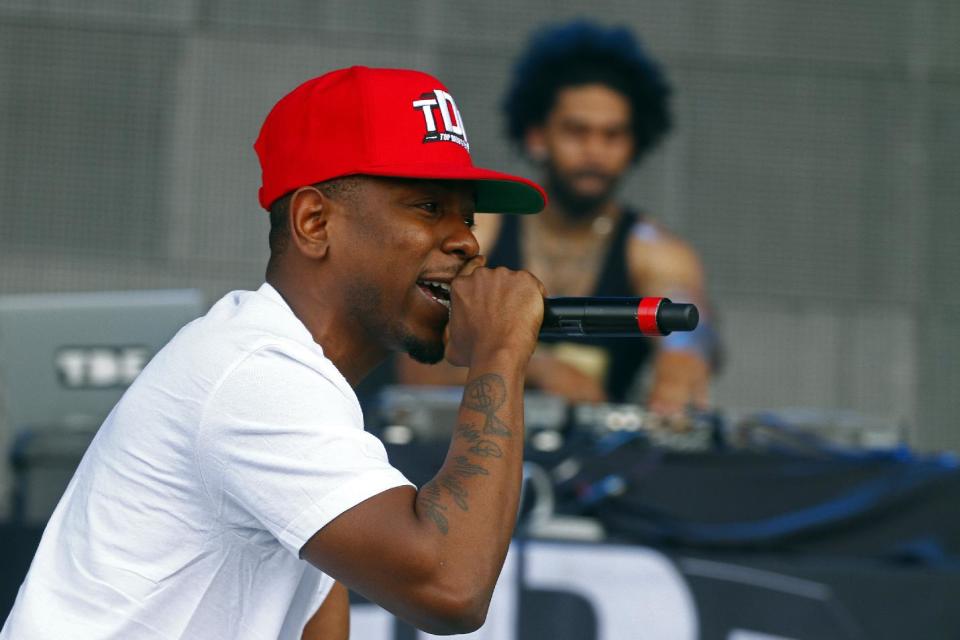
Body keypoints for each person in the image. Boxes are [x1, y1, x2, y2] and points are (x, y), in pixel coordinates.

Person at [1, 67, 547, 639]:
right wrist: (500, 353)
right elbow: (451, 589)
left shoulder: (296, 383)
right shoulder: (257, 374)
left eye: (467, 216)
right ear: (314, 223)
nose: (466, 240)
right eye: (428, 207)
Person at [398, 21, 719, 414]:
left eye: (612, 135)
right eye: (576, 131)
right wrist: (533, 368)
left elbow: (691, 321)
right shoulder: (480, 230)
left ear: (634, 144)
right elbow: (416, 369)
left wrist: (683, 357)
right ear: (537, 137)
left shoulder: (655, 250)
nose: (594, 150)